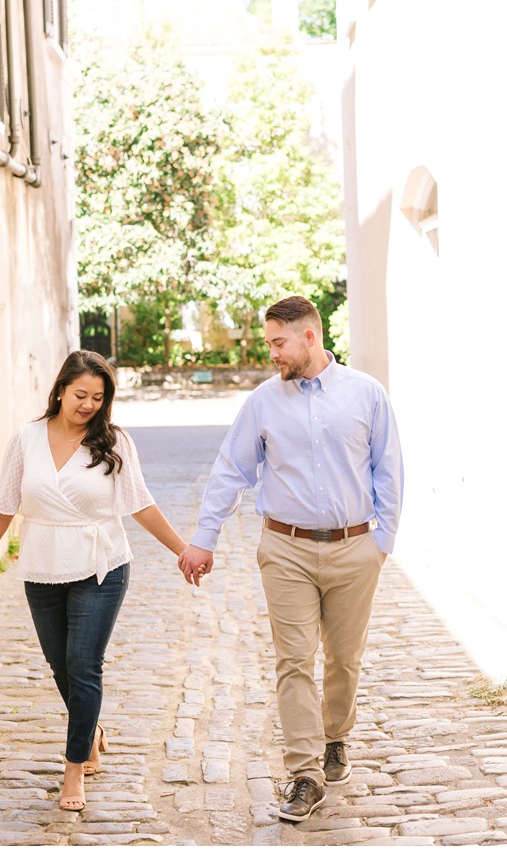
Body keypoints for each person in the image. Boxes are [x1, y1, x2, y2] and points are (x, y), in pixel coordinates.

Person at [178, 295, 404, 823]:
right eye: (269, 343)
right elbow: (230, 470)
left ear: (309, 337)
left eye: (279, 342)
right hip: (285, 549)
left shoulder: (366, 394)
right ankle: (304, 775)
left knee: (344, 660)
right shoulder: (262, 402)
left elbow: (388, 468)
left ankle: (336, 740)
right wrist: (204, 538)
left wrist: (382, 542)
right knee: (294, 659)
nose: (272, 353)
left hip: (355, 547)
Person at [0, 349, 191, 812]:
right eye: (80, 394)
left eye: (98, 397)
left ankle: (73, 771)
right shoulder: (26, 439)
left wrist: (182, 550)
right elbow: (5, 503)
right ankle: (91, 728)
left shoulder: (113, 443)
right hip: (42, 567)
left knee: (84, 663)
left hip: (101, 566)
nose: (88, 404)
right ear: (60, 391)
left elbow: (141, 504)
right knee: (61, 667)